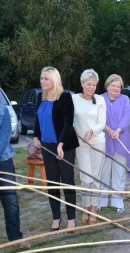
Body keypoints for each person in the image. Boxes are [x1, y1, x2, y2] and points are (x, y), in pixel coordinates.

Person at [33, 66, 79, 231]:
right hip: (46, 146)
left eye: (46, 78)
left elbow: (68, 123)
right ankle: (56, 218)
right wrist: (36, 137)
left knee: (67, 182)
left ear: (55, 80)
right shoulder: (40, 97)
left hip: (64, 146)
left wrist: (61, 144)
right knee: (52, 183)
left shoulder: (65, 97)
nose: (42, 81)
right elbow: (38, 119)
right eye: (41, 78)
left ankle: (71, 219)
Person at [72, 69, 106, 225]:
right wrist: (76, 131)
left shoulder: (100, 100)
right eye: (88, 84)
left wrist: (91, 131)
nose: (91, 87)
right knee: (86, 177)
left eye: (94, 84)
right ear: (82, 84)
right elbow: (70, 120)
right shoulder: (73, 99)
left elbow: (102, 123)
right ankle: (85, 207)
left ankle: (94, 209)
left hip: (97, 141)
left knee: (96, 177)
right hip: (80, 143)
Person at [99, 74, 130, 214]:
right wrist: (109, 130)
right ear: (107, 86)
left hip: (121, 139)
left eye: (118, 86)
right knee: (103, 172)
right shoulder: (100, 99)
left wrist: (118, 130)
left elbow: (127, 115)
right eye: (113, 85)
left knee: (119, 172)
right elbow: (98, 117)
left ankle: (118, 201)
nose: (116, 88)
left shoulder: (125, 100)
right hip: (104, 140)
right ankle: (100, 201)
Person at [0, 105, 30, 247]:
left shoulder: (2, 110)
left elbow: (4, 136)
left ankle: (16, 238)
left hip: (4, 161)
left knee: (10, 201)